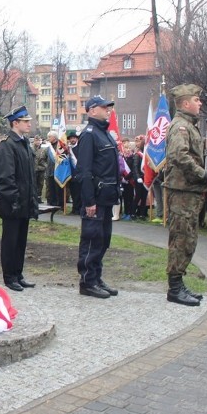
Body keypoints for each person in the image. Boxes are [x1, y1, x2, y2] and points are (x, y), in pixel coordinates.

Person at [164, 84, 207, 306]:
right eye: (196, 100)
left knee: (188, 238)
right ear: (185, 103)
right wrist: (202, 174)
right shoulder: (181, 127)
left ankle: (179, 282)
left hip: (189, 191)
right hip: (182, 191)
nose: (199, 103)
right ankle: (174, 288)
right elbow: (179, 156)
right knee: (181, 238)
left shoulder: (188, 125)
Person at [74, 96, 120, 299]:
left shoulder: (106, 134)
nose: (108, 110)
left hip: (107, 196)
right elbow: (84, 172)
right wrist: (89, 201)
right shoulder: (89, 135)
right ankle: (87, 281)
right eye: (104, 107)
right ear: (92, 111)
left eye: (108, 107)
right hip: (96, 198)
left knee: (103, 240)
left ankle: (96, 276)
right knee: (92, 240)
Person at [0, 106, 39, 292]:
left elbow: (29, 176)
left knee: (21, 241)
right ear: (15, 123)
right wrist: (14, 200)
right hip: (13, 203)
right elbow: (5, 177)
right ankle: (9, 276)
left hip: (24, 202)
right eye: (25, 121)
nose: (29, 124)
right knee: (10, 241)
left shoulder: (24, 143)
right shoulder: (7, 144)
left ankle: (18, 274)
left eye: (29, 121)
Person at [45, 131, 62, 207]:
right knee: (50, 187)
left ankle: (59, 203)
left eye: (49, 137)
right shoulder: (49, 146)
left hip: (58, 170)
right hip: (49, 170)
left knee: (58, 188)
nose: (48, 138)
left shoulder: (60, 145)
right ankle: (51, 202)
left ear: (54, 137)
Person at [66, 129, 82, 214]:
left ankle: (78, 209)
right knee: (73, 192)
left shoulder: (80, 148)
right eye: (71, 138)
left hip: (78, 174)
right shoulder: (67, 149)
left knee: (78, 193)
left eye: (74, 138)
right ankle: (74, 208)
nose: (72, 140)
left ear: (77, 139)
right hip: (70, 174)